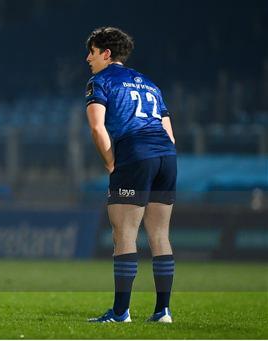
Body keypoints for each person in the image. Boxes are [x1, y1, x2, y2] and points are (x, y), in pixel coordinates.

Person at [84, 27, 177, 323]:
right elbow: (169, 134)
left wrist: (112, 163)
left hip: (135, 155)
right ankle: (163, 311)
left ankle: (121, 312)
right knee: (160, 235)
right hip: (166, 157)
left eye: (93, 51)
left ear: (106, 54)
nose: (88, 58)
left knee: (124, 234)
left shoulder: (100, 81)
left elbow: (97, 127)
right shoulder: (150, 84)